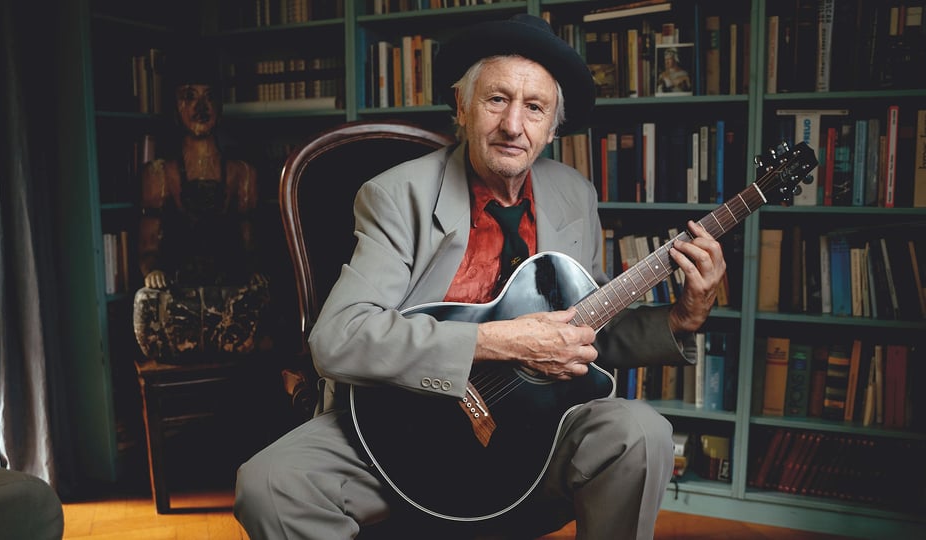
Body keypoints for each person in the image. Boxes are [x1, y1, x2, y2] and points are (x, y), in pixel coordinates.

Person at [234, 14, 725, 540]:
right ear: (462, 107)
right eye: (496, 100)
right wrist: (498, 341)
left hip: (534, 432)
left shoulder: (574, 195)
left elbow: (583, 330)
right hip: (402, 426)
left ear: (552, 127)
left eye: (534, 107)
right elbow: (338, 338)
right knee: (269, 484)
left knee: (642, 432)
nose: (513, 125)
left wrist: (682, 318)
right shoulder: (397, 195)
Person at [133, 51, 269, 362]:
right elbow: (148, 244)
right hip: (180, 288)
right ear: (175, 105)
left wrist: (253, 272)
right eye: (189, 97)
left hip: (226, 286)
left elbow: (249, 242)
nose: (201, 107)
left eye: (209, 97)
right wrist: (152, 270)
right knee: (146, 302)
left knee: (260, 297)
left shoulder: (242, 172)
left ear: (220, 104)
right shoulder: (158, 173)